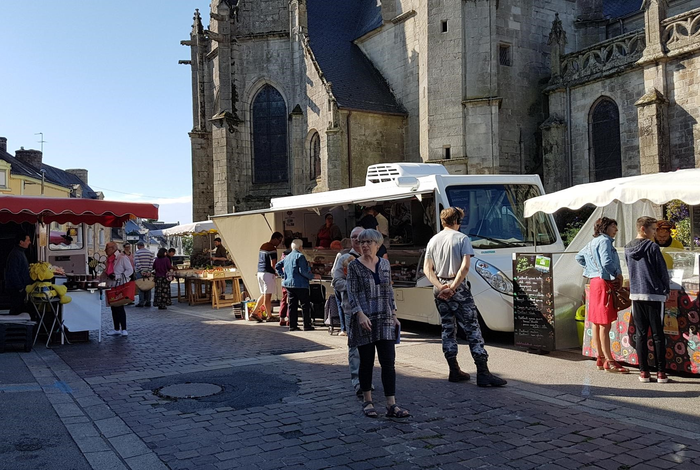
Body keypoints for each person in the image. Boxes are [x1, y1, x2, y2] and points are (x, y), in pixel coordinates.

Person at [424, 207, 507, 386]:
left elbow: (427, 269)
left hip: (439, 288)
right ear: (457, 221)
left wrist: (441, 286)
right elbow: (465, 267)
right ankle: (483, 372)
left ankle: (454, 369)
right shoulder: (462, 239)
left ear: (442, 221)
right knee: (472, 328)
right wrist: (453, 286)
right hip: (458, 287)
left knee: (447, 328)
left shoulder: (433, 240)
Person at [347, 229, 409, 419]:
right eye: (361, 242)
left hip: (384, 318)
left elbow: (389, 289)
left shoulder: (385, 264)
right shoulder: (354, 266)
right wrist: (359, 314)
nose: (364, 245)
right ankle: (368, 401)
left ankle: (391, 404)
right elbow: (352, 293)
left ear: (378, 245)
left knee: (388, 362)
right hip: (365, 319)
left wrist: (394, 314)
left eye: (368, 242)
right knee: (366, 362)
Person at [576, 217, 629, 374]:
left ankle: (600, 358)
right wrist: (617, 274)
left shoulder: (593, 242)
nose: (616, 230)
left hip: (594, 283)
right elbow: (606, 262)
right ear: (605, 227)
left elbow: (578, 257)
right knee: (604, 323)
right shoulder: (605, 241)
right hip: (604, 282)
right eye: (614, 226)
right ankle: (610, 361)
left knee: (597, 322)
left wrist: (590, 269)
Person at [625, 216, 671, 383]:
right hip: (654, 293)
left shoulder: (628, 247)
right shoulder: (653, 247)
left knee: (641, 334)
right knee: (657, 334)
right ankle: (661, 372)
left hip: (636, 293)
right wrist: (666, 289)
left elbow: (630, 269)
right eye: (653, 229)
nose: (655, 232)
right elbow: (662, 271)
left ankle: (643, 371)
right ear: (643, 229)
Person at [331, 226, 363, 396]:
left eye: (360, 236)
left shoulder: (371, 257)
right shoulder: (344, 258)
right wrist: (354, 286)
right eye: (353, 237)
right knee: (355, 347)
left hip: (371, 310)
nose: (357, 240)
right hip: (351, 310)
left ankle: (367, 380)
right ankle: (357, 381)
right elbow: (336, 282)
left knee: (369, 348)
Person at [275, 239, 320, 331]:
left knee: (292, 305)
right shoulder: (300, 256)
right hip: (301, 284)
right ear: (300, 247)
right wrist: (312, 276)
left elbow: (277, 266)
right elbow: (302, 271)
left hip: (289, 284)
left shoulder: (287, 257)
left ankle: (293, 325)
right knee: (305, 305)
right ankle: (307, 324)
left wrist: (283, 275)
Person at [102, 242, 134, 336]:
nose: (105, 250)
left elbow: (130, 270)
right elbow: (106, 272)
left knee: (119, 306)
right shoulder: (108, 260)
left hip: (120, 285)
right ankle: (116, 328)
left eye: (107, 248)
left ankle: (124, 329)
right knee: (113, 307)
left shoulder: (122, 257)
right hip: (111, 285)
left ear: (113, 248)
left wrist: (117, 276)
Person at [251, 232, 283, 322]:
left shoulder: (263, 245)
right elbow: (274, 264)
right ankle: (269, 316)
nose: (279, 243)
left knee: (264, 294)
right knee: (268, 296)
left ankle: (254, 313)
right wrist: (277, 272)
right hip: (268, 274)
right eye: (279, 240)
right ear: (275, 239)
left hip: (260, 272)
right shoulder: (272, 248)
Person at [4, 233, 32, 315]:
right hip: (16, 288)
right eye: (27, 240)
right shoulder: (16, 254)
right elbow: (13, 272)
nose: (29, 242)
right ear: (21, 242)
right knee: (16, 309)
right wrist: (20, 287)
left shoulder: (19, 253)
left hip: (18, 287)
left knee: (18, 309)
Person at [134, 242, 155, 308]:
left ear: (139, 246)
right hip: (148, 271)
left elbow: (137, 262)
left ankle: (141, 302)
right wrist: (149, 271)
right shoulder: (150, 253)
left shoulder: (137, 253)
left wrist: (142, 270)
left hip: (140, 272)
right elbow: (151, 263)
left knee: (141, 286)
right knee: (148, 286)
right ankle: (148, 302)